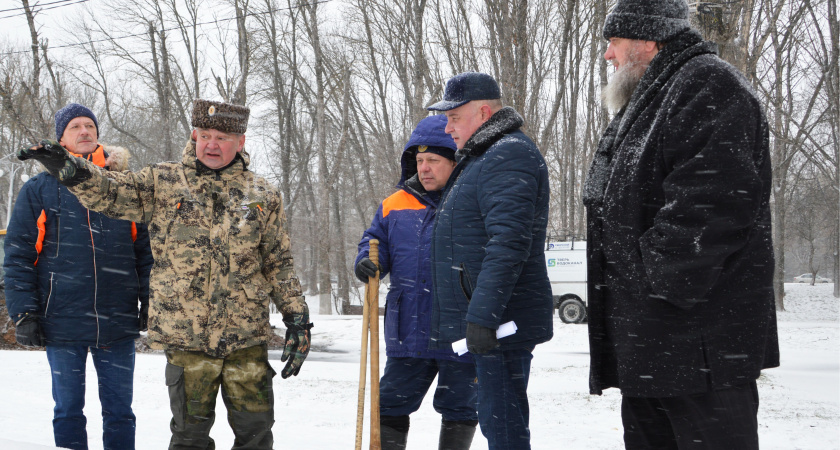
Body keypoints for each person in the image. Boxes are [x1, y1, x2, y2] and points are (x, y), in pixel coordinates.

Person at [17, 99, 312, 450]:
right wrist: (71, 169)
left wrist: (297, 316)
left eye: (222, 137)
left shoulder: (262, 194)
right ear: (194, 135)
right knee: (189, 438)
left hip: (245, 337)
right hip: (186, 339)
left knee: (256, 435)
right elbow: (110, 191)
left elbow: (278, 261)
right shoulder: (164, 182)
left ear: (241, 142)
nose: (212, 144)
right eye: (205, 135)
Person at [582, 1, 780, 448]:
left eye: (614, 42)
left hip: (696, 346)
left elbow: (714, 205)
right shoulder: (654, 95)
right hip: (655, 344)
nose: (607, 55)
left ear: (649, 40)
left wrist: (657, 286)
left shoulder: (706, 83)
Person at [4, 103, 153, 450]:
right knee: (68, 411)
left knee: (120, 412)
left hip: (116, 320)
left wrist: (151, 300)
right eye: (75, 127)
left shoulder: (123, 186)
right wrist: (24, 312)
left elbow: (147, 254)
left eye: (90, 125)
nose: (85, 131)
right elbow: (19, 255)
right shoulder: (40, 189)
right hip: (62, 321)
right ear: (61, 138)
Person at [426, 72, 554, 450]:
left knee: (505, 427)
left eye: (453, 117)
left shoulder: (508, 154)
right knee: (497, 420)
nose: (447, 128)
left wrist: (483, 316)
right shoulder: (483, 157)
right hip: (490, 322)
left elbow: (509, 242)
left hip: (501, 323)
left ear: (482, 112)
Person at [355, 115, 478, 450]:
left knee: (462, 407)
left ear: (455, 162)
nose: (424, 168)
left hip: (461, 332)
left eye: (433, 161)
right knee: (390, 403)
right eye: (419, 160)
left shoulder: (474, 200)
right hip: (409, 328)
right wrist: (366, 260)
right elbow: (372, 241)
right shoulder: (395, 205)